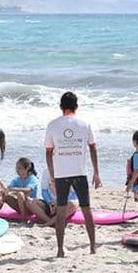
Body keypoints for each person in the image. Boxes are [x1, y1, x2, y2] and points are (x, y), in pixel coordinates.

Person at [45, 91, 102, 257]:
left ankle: (60, 250)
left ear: (61, 106)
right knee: (86, 210)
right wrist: (96, 172)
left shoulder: (53, 125)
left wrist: (52, 176)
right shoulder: (85, 124)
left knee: (61, 213)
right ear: (76, 106)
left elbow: (49, 153)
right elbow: (93, 147)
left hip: (61, 174)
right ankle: (92, 247)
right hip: (80, 173)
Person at [0, 157, 40, 223]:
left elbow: (28, 189)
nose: (17, 170)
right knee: (3, 193)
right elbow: (9, 188)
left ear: (27, 168)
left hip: (30, 207)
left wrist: (14, 189)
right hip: (20, 207)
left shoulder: (33, 178)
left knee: (20, 194)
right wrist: (4, 191)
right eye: (16, 168)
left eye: (20, 168)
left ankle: (24, 219)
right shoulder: (16, 179)